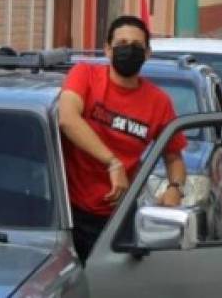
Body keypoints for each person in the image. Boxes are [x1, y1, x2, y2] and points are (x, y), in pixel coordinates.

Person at [58, 15, 187, 262]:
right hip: (68, 216)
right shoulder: (85, 74)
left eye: (137, 46)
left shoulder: (158, 102)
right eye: (122, 43)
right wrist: (112, 162)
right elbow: (68, 119)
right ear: (107, 49)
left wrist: (175, 189)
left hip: (119, 219)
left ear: (148, 54)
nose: (129, 50)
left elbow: (174, 158)